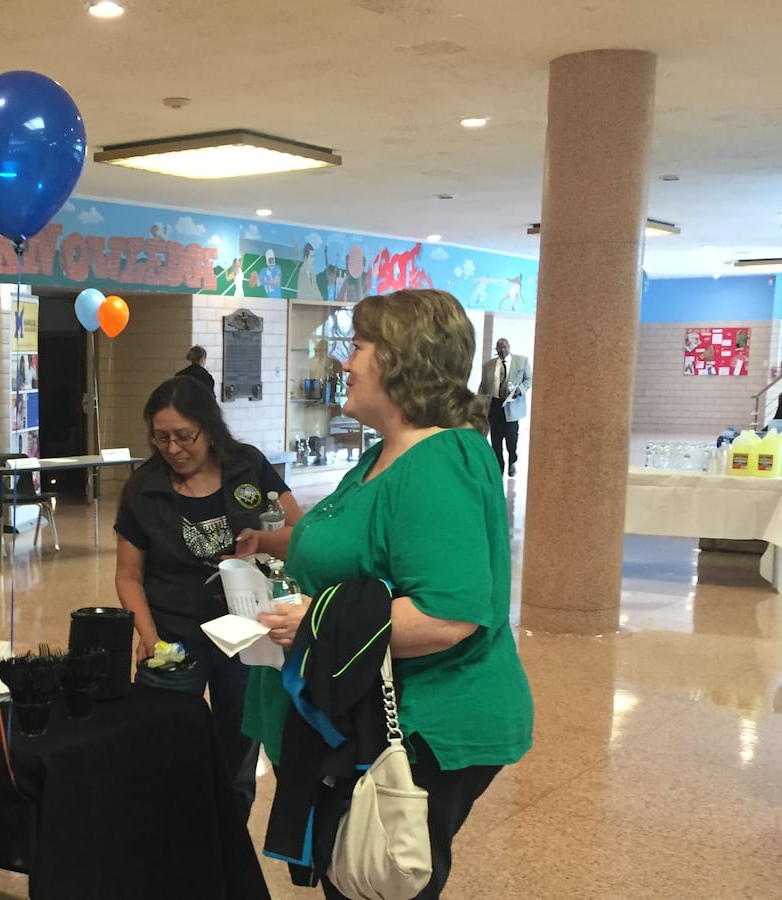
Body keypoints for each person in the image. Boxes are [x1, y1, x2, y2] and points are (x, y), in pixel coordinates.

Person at [249, 289, 533, 897]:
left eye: (358, 346)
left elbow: (447, 613)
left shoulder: (436, 461)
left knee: (377, 880)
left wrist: (315, 627)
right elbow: (351, 549)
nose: (344, 363)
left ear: (402, 358)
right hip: (372, 713)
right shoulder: (388, 454)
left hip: (424, 722)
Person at [114, 375, 302, 818]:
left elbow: (300, 535)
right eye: (161, 438)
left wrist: (263, 539)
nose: (173, 449)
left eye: (184, 436)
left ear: (210, 427)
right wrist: (148, 636)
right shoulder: (144, 489)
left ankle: (229, 840)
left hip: (246, 636)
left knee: (237, 752)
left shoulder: (248, 466)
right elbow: (128, 576)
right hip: (175, 639)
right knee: (161, 750)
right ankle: (167, 844)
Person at [476, 337, 531, 477]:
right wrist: (478, 404)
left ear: (509, 347)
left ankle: (512, 459)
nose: (502, 350)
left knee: (511, 438)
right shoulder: (488, 366)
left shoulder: (522, 361)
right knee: (496, 440)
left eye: (504, 347)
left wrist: (520, 390)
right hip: (494, 406)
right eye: (499, 348)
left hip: (511, 405)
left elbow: (528, 379)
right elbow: (483, 387)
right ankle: (498, 469)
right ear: (496, 349)